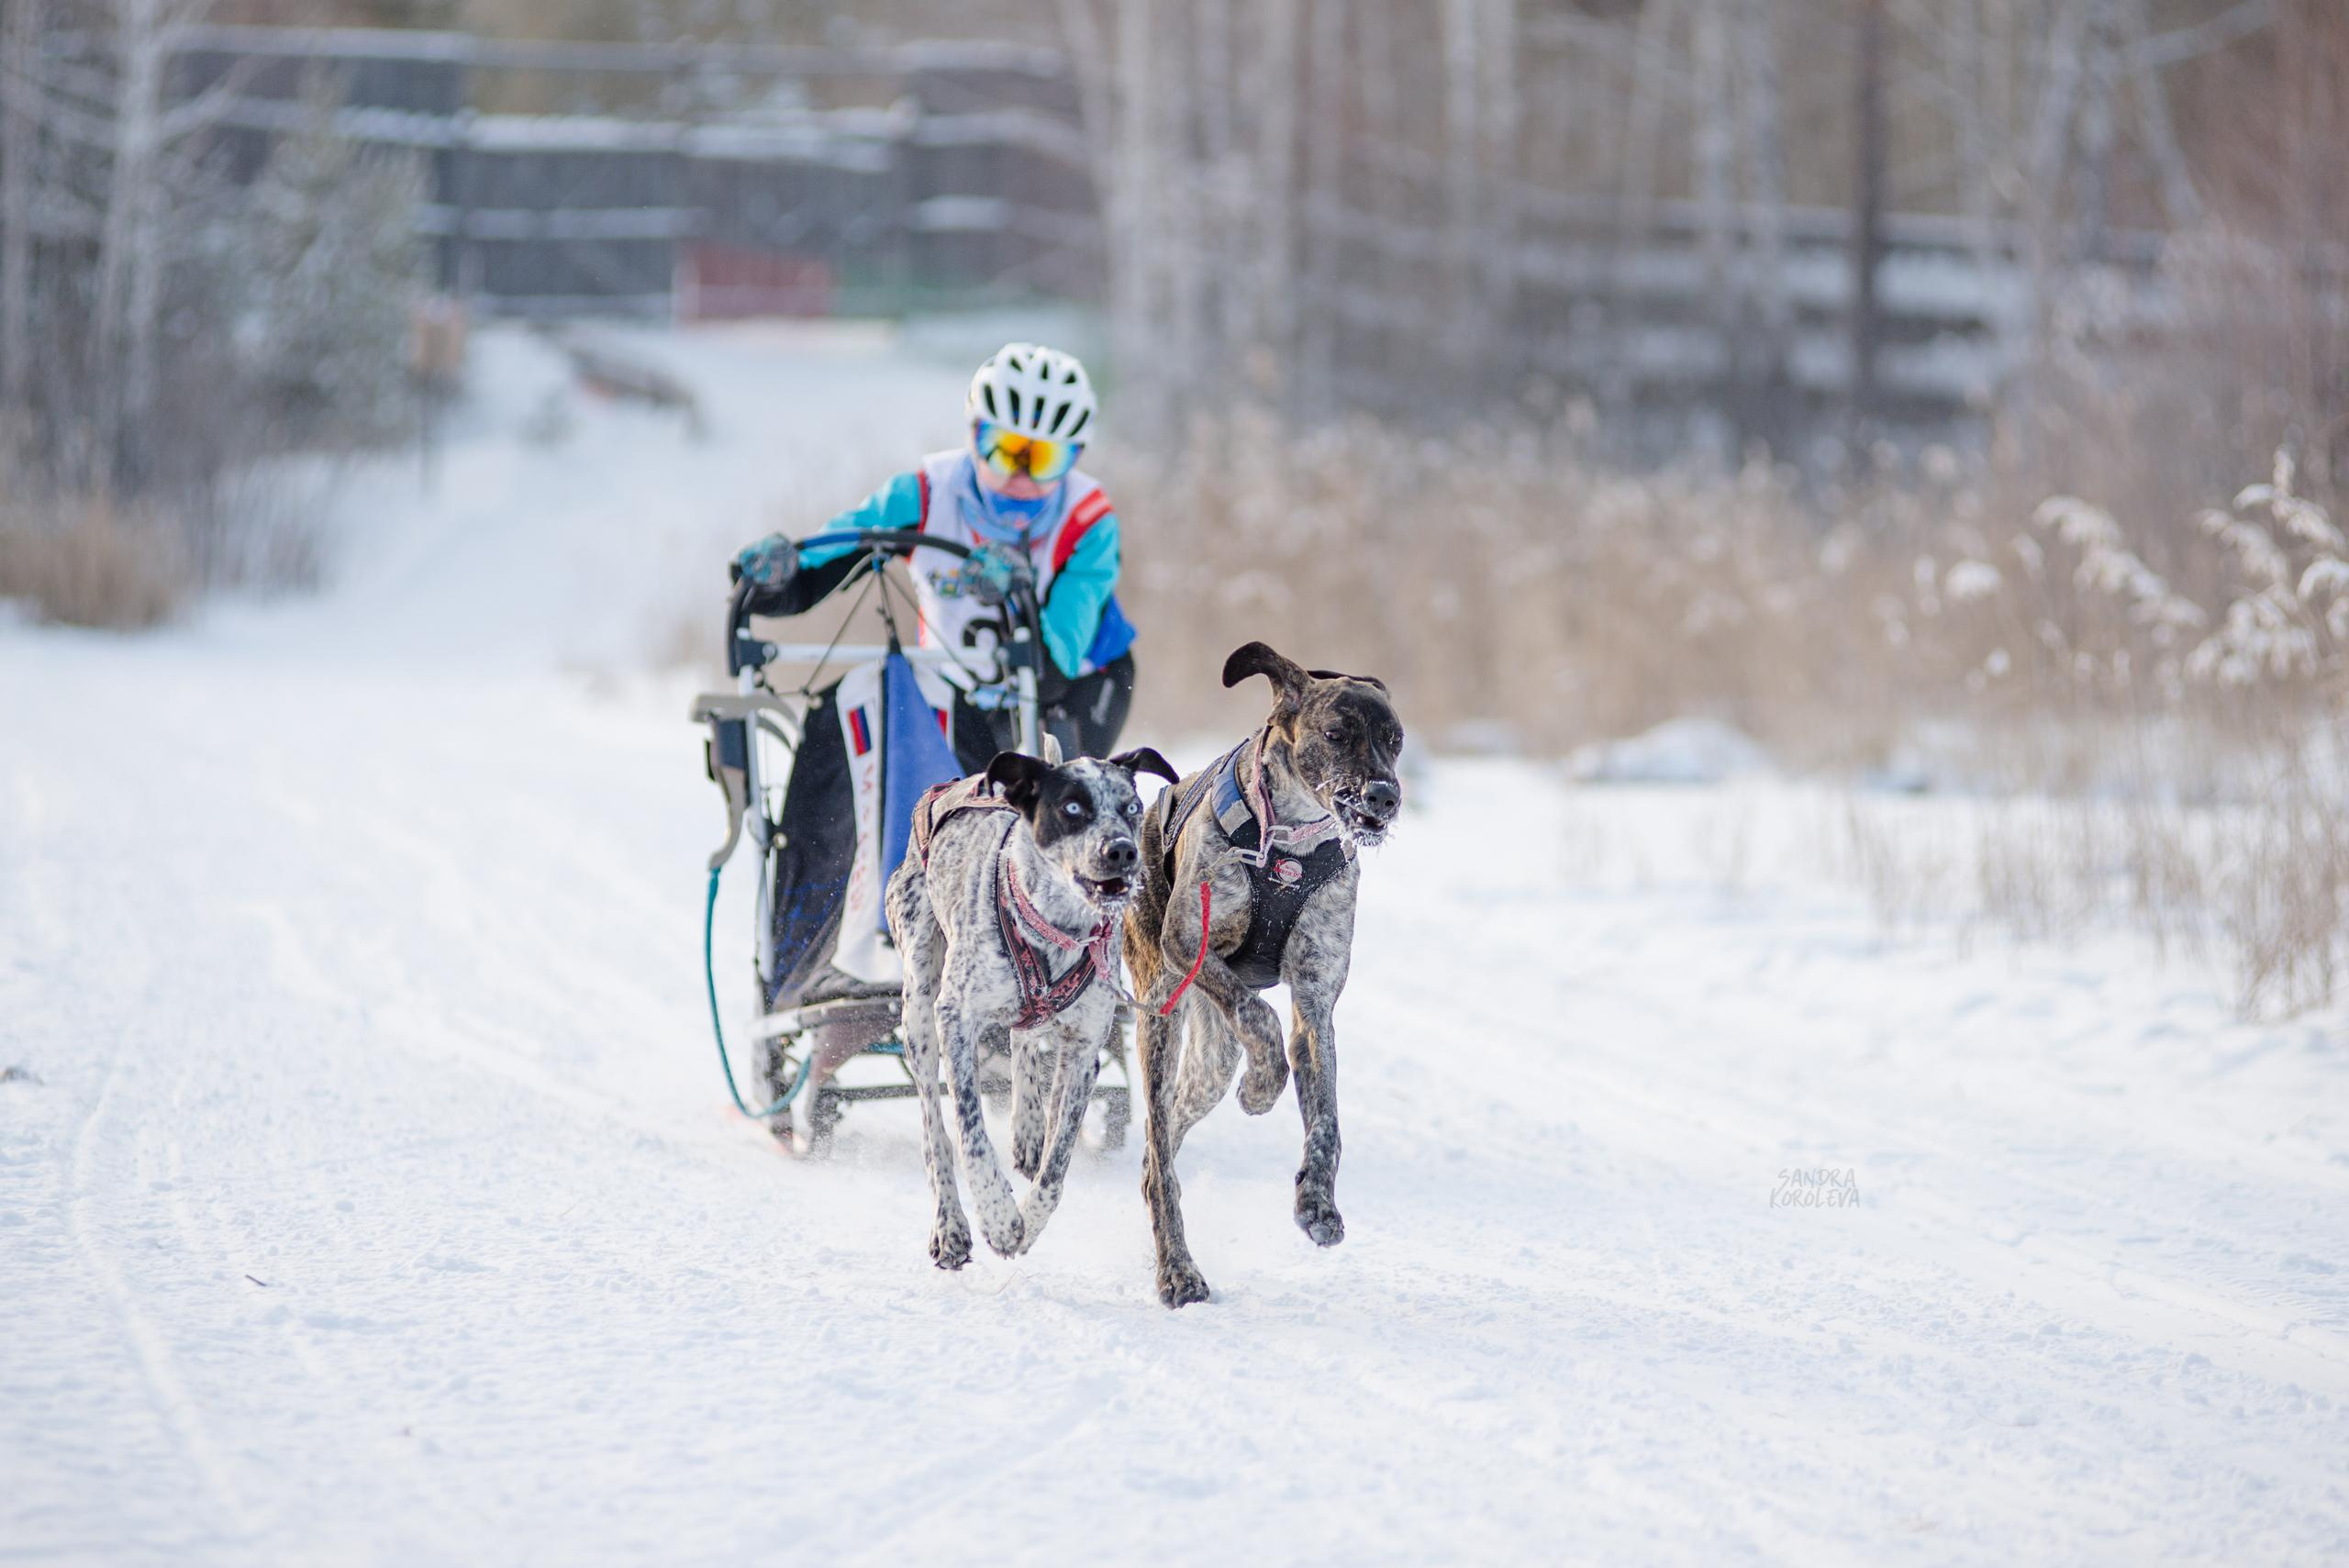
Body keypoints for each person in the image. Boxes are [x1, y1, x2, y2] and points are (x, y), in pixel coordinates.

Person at [732, 342, 1137, 767]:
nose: (1019, 475)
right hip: (961, 685)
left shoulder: (1090, 521)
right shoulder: (924, 494)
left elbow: (1051, 670)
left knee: (1055, 805)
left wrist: (1015, 598)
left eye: (1043, 458)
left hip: (1082, 683)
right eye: (1003, 447)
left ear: (1075, 457)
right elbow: (826, 562)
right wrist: (776, 583)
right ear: (972, 435)